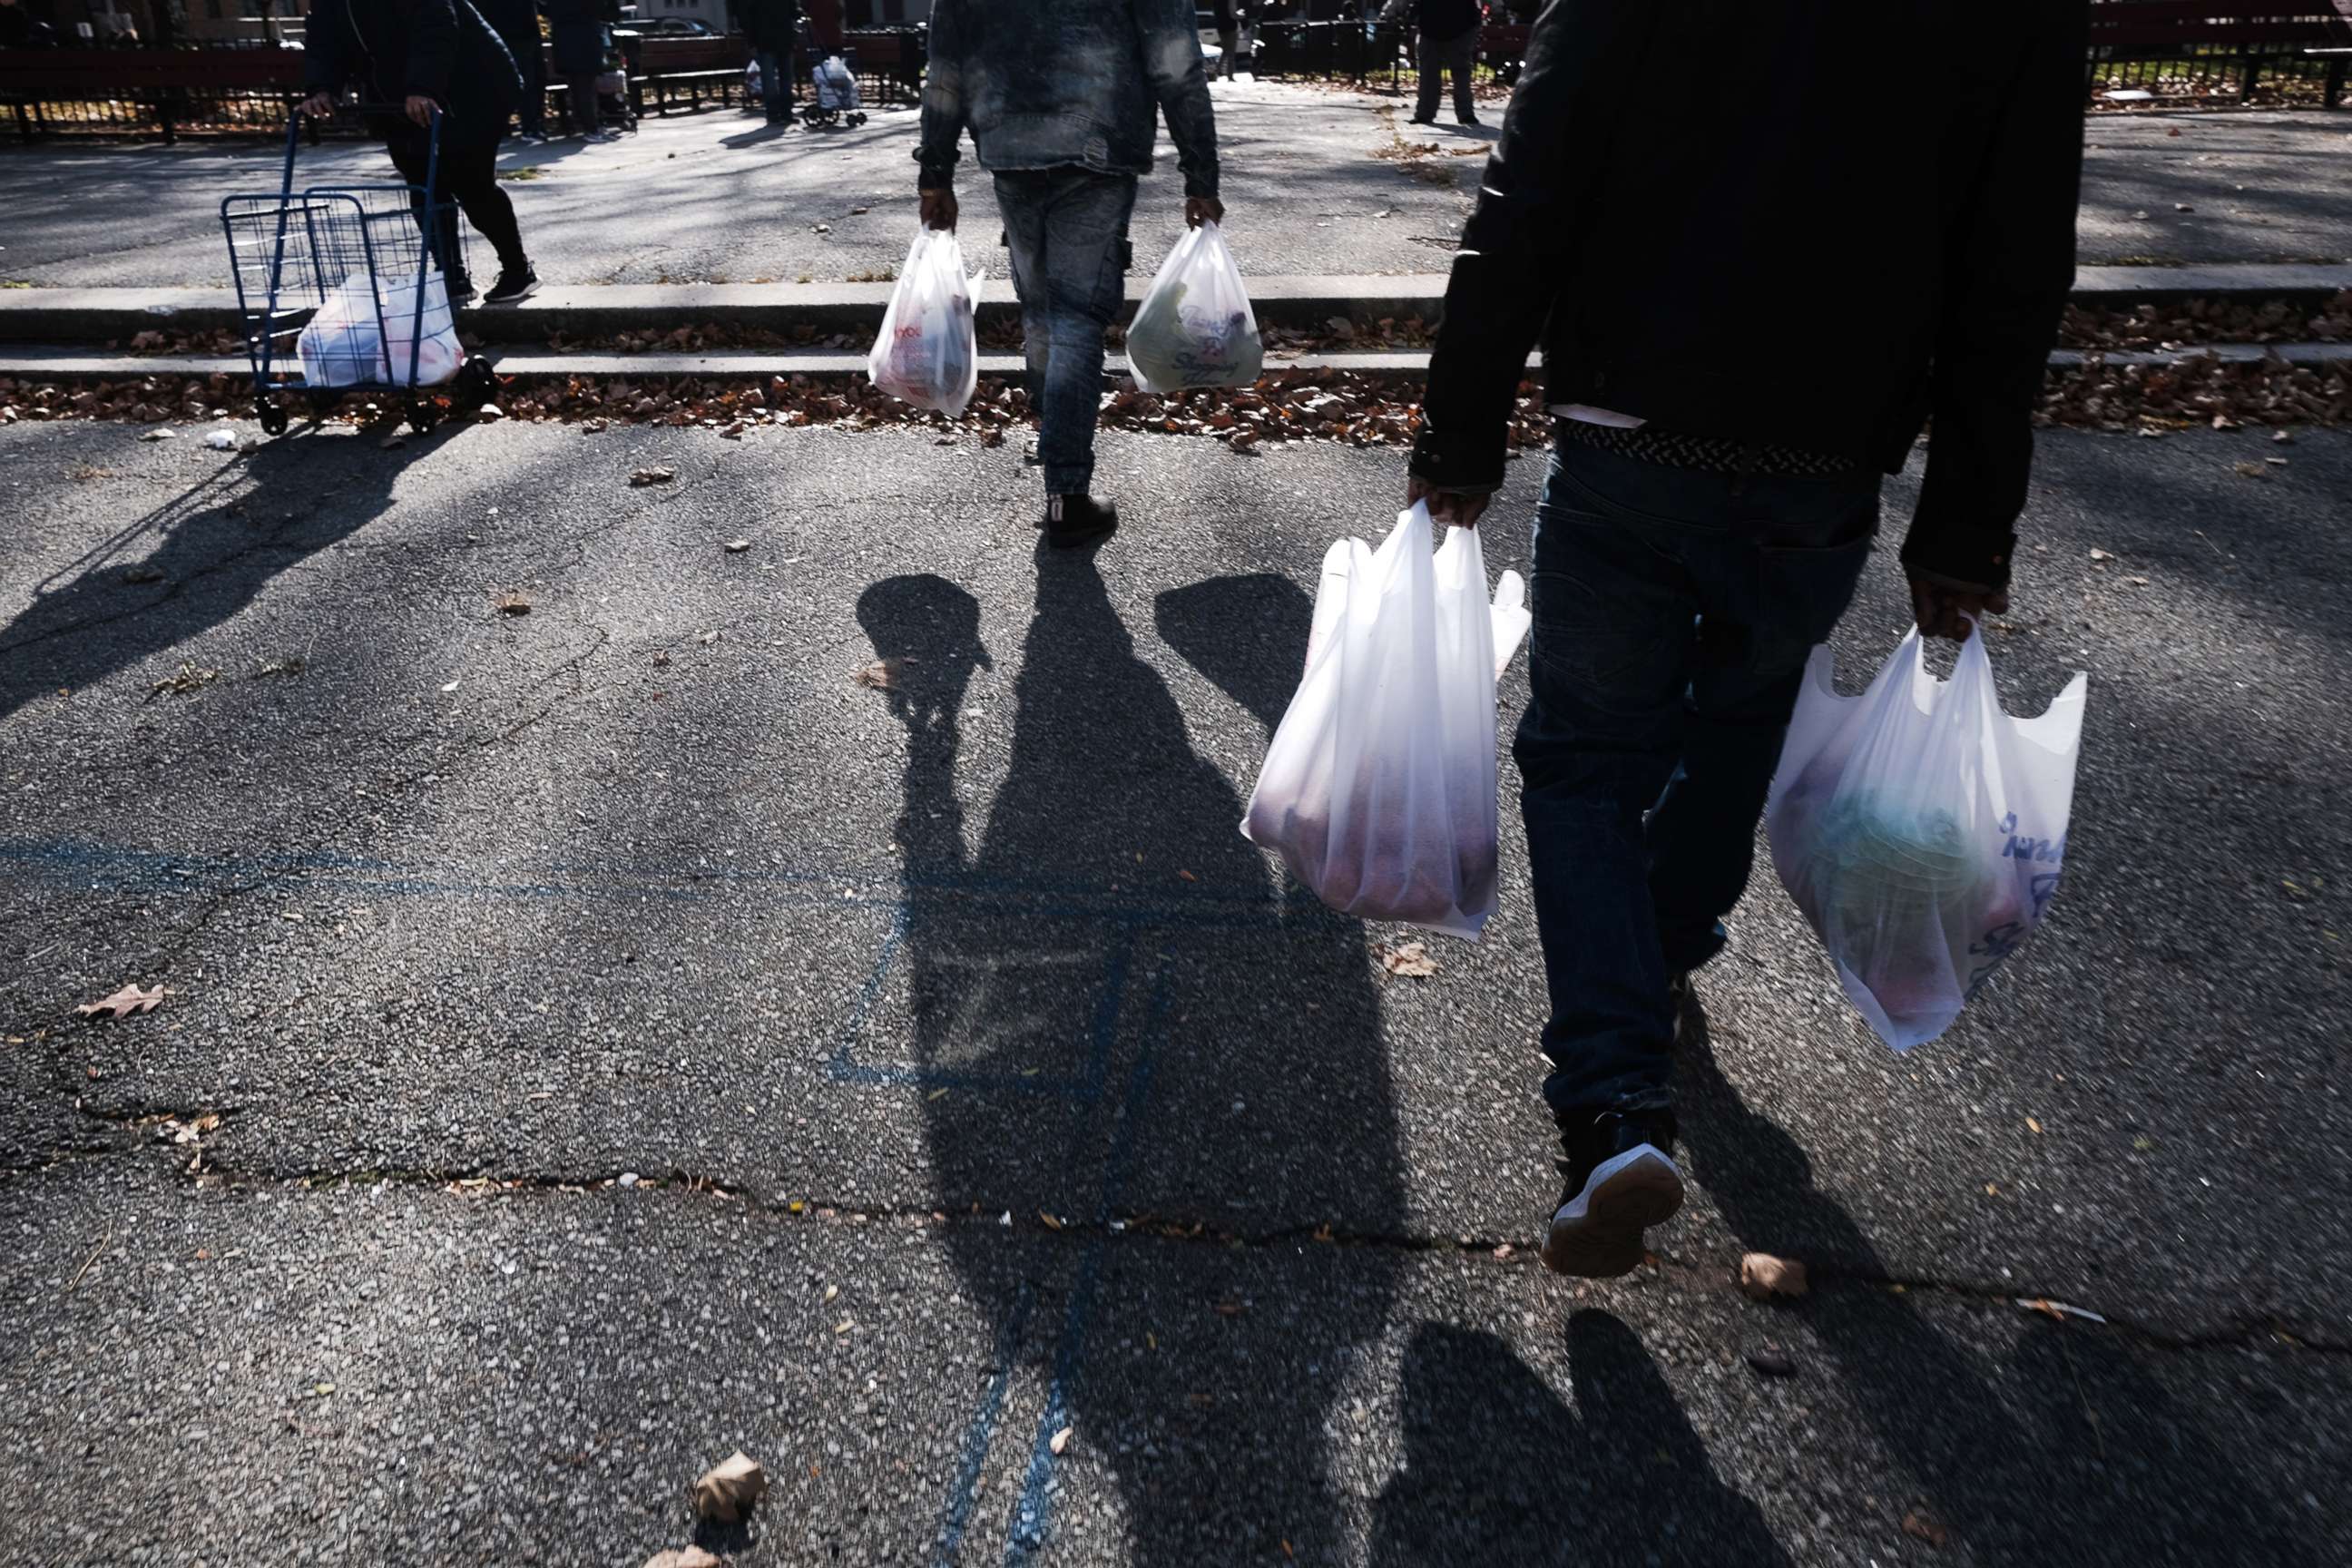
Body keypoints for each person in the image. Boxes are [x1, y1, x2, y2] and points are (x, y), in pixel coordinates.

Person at [1404, 0, 2087, 1278]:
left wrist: (1462, 424)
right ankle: (1655, 958)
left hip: (1628, 424)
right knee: (1739, 722)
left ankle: (1614, 1100)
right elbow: (2014, 264)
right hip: (1823, 447)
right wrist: (1964, 527)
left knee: (1586, 759)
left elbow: (1533, 178)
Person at [916, 0, 1223, 548]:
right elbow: (1176, 66)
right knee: (1077, 317)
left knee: (1041, 313)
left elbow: (946, 72)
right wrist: (1200, 172)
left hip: (1008, 142)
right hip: (1099, 144)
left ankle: (1054, 441)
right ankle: (1067, 490)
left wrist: (935, 172)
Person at [300, 0, 542, 307]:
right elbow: (323, 39)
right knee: (421, 180)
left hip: (473, 82)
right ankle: (450, 276)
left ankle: (517, 271)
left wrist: (423, 86)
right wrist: (321, 88)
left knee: (469, 180)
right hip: (398, 94)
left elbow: (436, 24)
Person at [1379, 0, 1483, 128]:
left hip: (1444, 25)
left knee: (1437, 74)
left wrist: (1391, 12)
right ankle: (1462, 113)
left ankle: (1428, 113)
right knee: (1453, 74)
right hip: (1448, 25)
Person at [481, 0, 548, 142]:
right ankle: (529, 127)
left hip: (527, 34)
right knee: (526, 82)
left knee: (536, 80)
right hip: (514, 35)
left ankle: (534, 123)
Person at [544, 0, 612, 139]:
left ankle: (580, 123)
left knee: (575, 87)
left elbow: (548, 11)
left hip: (565, 43)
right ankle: (591, 127)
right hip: (586, 43)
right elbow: (606, 11)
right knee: (586, 89)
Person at [741, 0, 799, 126]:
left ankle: (776, 113)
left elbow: (748, 17)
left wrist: (752, 41)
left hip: (767, 40)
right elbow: (794, 11)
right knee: (784, 79)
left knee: (771, 80)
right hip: (781, 39)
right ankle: (783, 112)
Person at [1211, 0, 1250, 79]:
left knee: (1225, 51)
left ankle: (1216, 72)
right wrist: (1243, 15)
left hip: (1220, 26)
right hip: (1230, 26)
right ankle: (1230, 75)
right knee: (1231, 53)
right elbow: (1233, 15)